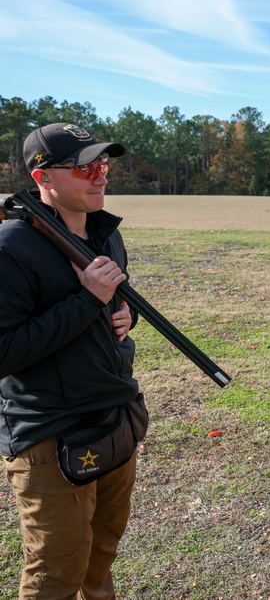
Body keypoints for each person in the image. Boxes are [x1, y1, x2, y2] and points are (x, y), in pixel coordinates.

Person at [1, 123, 144, 599]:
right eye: (85, 167)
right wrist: (87, 301)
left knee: (101, 553)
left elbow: (120, 302)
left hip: (113, 416)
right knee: (56, 572)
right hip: (51, 434)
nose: (100, 176)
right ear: (43, 176)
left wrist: (125, 314)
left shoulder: (103, 232)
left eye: (103, 165)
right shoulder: (10, 248)